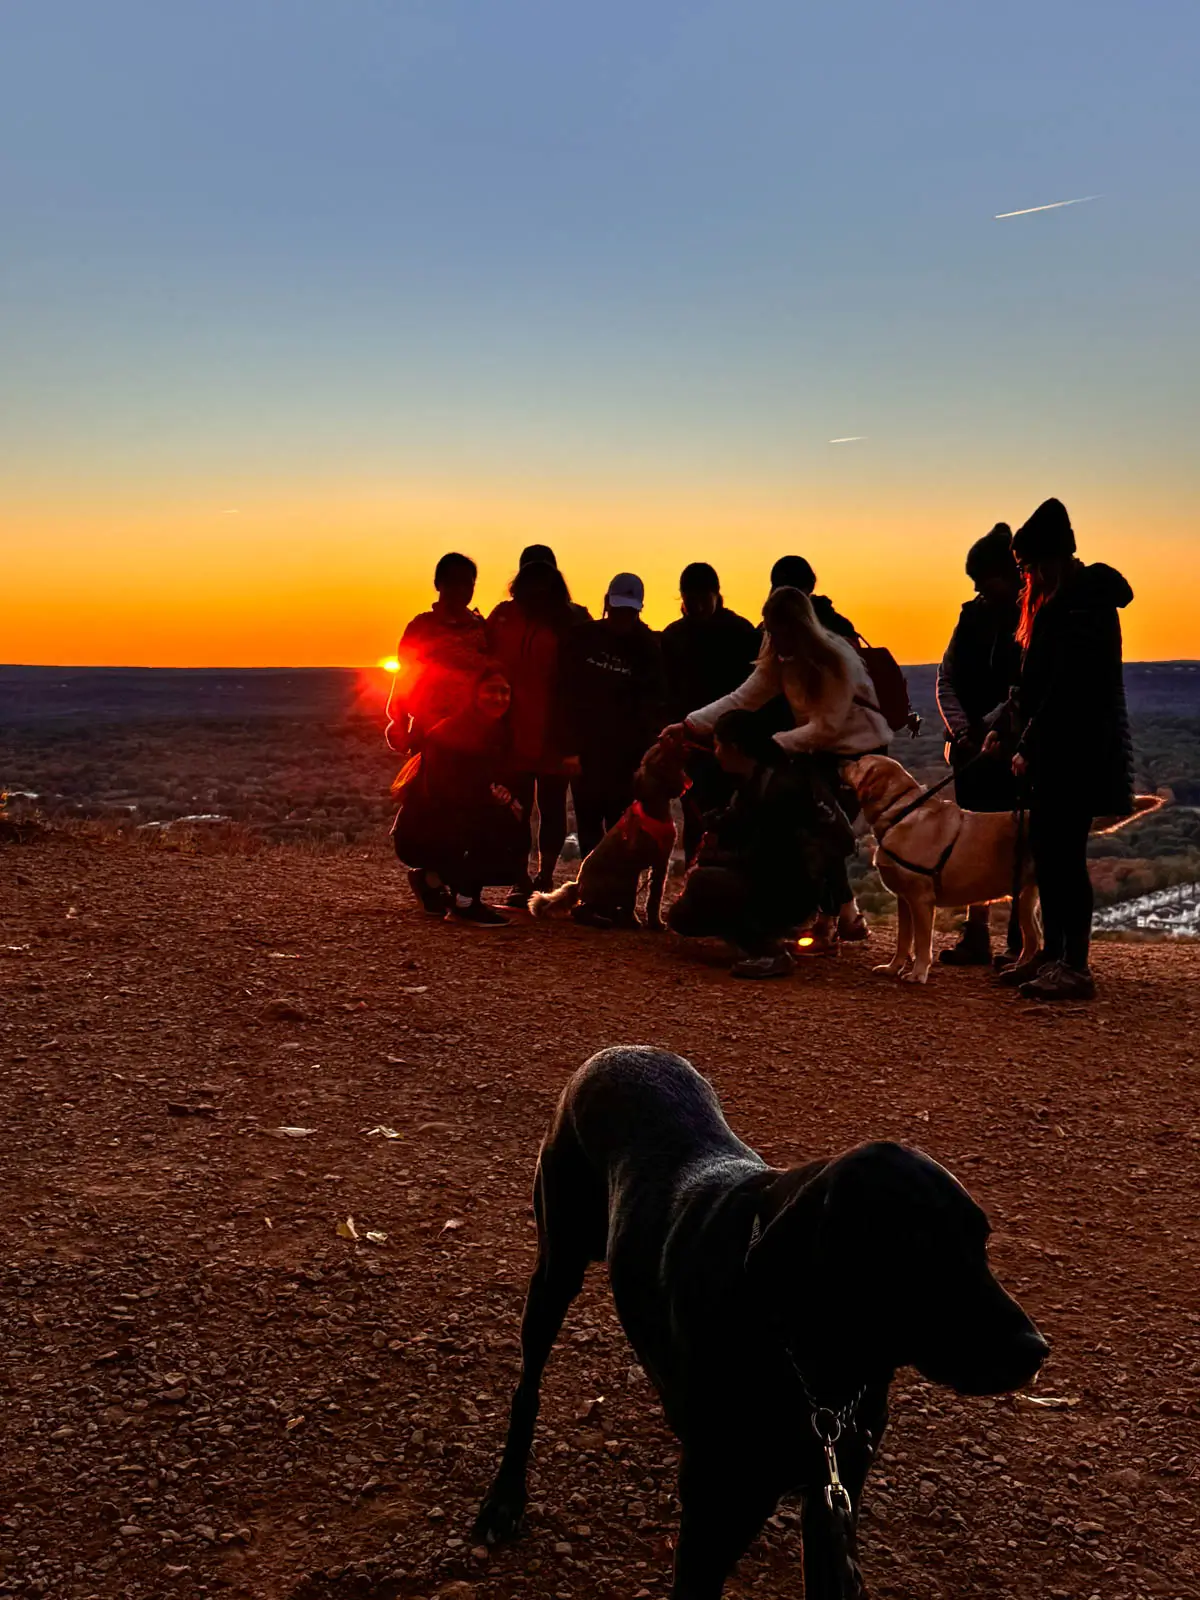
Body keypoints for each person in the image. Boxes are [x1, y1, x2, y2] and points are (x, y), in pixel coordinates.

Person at [665, 585, 891, 950]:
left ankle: (831, 921)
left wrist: (768, 746)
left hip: (856, 751)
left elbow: (828, 726)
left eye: (777, 630)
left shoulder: (835, 660)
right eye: (769, 629)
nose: (772, 637)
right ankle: (843, 917)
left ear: (798, 627)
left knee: (824, 828)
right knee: (813, 824)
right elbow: (744, 698)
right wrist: (690, 724)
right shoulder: (780, 660)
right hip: (814, 749)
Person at [991, 499, 1134, 1001]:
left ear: (1051, 559)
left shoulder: (1084, 605)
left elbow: (1070, 689)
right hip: (1058, 750)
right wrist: (1007, 727)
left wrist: (1028, 743)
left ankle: (1075, 966)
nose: (1025, 575)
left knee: (1065, 859)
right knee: (1050, 857)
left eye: (1028, 566)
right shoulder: (1059, 604)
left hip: (1079, 753)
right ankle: (1051, 956)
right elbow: (1035, 685)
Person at [667, 710, 855, 978]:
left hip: (792, 888)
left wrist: (713, 861)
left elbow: (766, 858)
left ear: (735, 747)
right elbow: (741, 822)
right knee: (681, 916)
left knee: (703, 883)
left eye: (718, 745)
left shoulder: (780, 788)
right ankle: (758, 933)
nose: (716, 752)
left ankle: (770, 952)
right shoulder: (762, 776)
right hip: (780, 878)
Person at [935, 524, 1023, 965]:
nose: (977, 589)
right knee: (977, 840)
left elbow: (1025, 689)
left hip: (1016, 752)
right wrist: (960, 731)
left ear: (1007, 575)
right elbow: (946, 677)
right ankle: (977, 936)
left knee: (1018, 844)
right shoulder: (970, 617)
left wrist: (988, 729)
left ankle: (1020, 941)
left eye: (983, 580)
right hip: (971, 750)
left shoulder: (1032, 619)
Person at [391, 666, 527, 927]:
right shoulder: (449, 734)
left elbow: (502, 779)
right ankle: (465, 904)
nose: (498, 698)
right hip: (425, 830)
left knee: (508, 832)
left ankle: (431, 881)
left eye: (504, 692)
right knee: (488, 824)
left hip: (455, 824)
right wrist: (490, 798)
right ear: (473, 694)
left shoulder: (499, 733)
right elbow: (445, 793)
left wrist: (505, 794)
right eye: (490, 691)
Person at [486, 560, 581, 904]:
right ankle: (519, 877)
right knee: (518, 808)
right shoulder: (503, 617)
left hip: (555, 730)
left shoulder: (569, 618)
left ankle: (544, 876)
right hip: (512, 728)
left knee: (552, 807)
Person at [557, 573, 667, 860]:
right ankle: (589, 894)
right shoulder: (581, 638)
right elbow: (565, 695)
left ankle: (614, 898)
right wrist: (569, 750)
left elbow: (652, 706)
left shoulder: (649, 648)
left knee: (623, 832)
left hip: (626, 760)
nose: (622, 617)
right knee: (589, 829)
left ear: (639, 610)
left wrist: (643, 761)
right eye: (618, 610)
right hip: (585, 754)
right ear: (606, 603)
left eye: (629, 612)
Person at [660, 562, 759, 862]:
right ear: (682, 598)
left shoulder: (741, 632)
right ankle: (696, 877)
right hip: (691, 744)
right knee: (695, 816)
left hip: (734, 743)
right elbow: (664, 689)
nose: (698, 605)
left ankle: (730, 879)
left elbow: (753, 690)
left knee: (737, 813)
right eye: (691, 599)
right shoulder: (673, 636)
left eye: (704, 597)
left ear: (717, 595)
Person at [385, 553, 491, 753]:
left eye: (466, 583)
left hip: (475, 734)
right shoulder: (420, 628)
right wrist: (399, 724)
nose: (460, 590)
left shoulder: (482, 629)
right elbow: (404, 680)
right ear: (437, 584)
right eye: (452, 582)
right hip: (428, 733)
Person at [517, 545, 592, 622]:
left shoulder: (578, 615)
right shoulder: (578, 615)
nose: (538, 586)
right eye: (533, 575)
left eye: (543, 574)